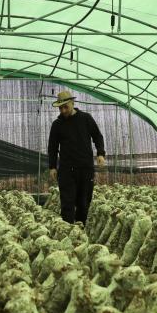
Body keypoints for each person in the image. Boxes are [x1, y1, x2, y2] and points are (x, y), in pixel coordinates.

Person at [47, 90, 106, 225]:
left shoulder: (86, 118)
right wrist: (52, 167)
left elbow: (97, 136)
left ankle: (80, 229)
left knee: (84, 201)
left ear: (72, 103)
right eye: (60, 108)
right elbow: (52, 147)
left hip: (85, 168)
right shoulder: (57, 125)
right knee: (67, 202)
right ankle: (67, 230)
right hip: (67, 170)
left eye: (65, 107)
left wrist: (100, 153)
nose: (63, 110)